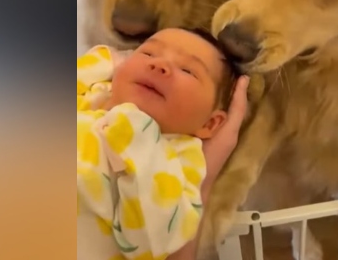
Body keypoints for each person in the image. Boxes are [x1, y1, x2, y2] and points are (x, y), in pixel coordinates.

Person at [77, 28, 249, 260]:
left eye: (188, 70)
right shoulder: (90, 95)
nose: (160, 66)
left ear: (210, 123)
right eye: (148, 54)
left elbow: (152, 242)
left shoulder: (178, 163)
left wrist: (136, 141)